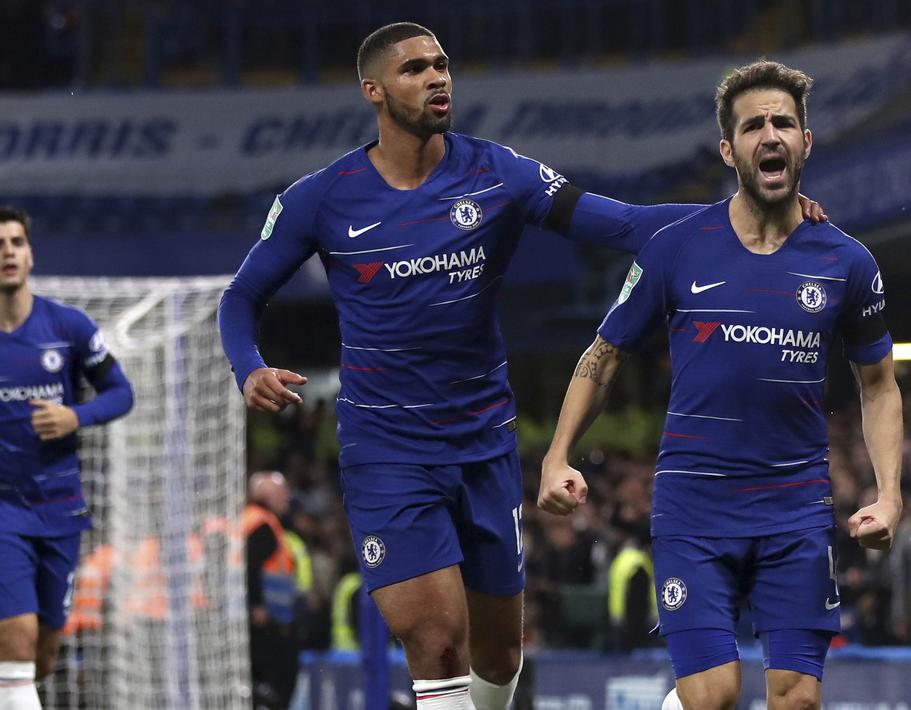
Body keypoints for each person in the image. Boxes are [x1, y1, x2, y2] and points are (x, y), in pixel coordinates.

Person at [217, 22, 827, 710]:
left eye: (442, 64)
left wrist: (748, 212)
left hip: (483, 444)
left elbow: (624, 224)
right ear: (374, 91)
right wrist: (248, 367)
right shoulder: (321, 197)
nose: (436, 78)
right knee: (436, 643)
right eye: (415, 69)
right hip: (386, 450)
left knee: (500, 653)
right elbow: (242, 296)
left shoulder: (497, 172)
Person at [538, 60, 902, 710]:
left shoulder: (846, 261)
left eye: (783, 123)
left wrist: (889, 494)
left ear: (804, 142)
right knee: (711, 696)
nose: (770, 135)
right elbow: (604, 352)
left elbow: (876, 385)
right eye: (753, 124)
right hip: (693, 509)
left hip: (796, 509)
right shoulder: (677, 247)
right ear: (727, 149)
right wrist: (557, 452)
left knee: (797, 701)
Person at [0, 208, 134, 710]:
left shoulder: (68, 326)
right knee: (15, 638)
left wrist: (76, 416)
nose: (8, 251)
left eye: (17, 242)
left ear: (31, 254)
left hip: (59, 510)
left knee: (41, 658)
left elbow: (121, 393)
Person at [244, 471, 299, 709]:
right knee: (276, 689)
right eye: (282, 494)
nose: (287, 499)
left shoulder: (245, 519)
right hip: (266, 624)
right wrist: (255, 605)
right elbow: (251, 565)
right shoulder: (263, 524)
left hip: (249, 620)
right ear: (268, 496)